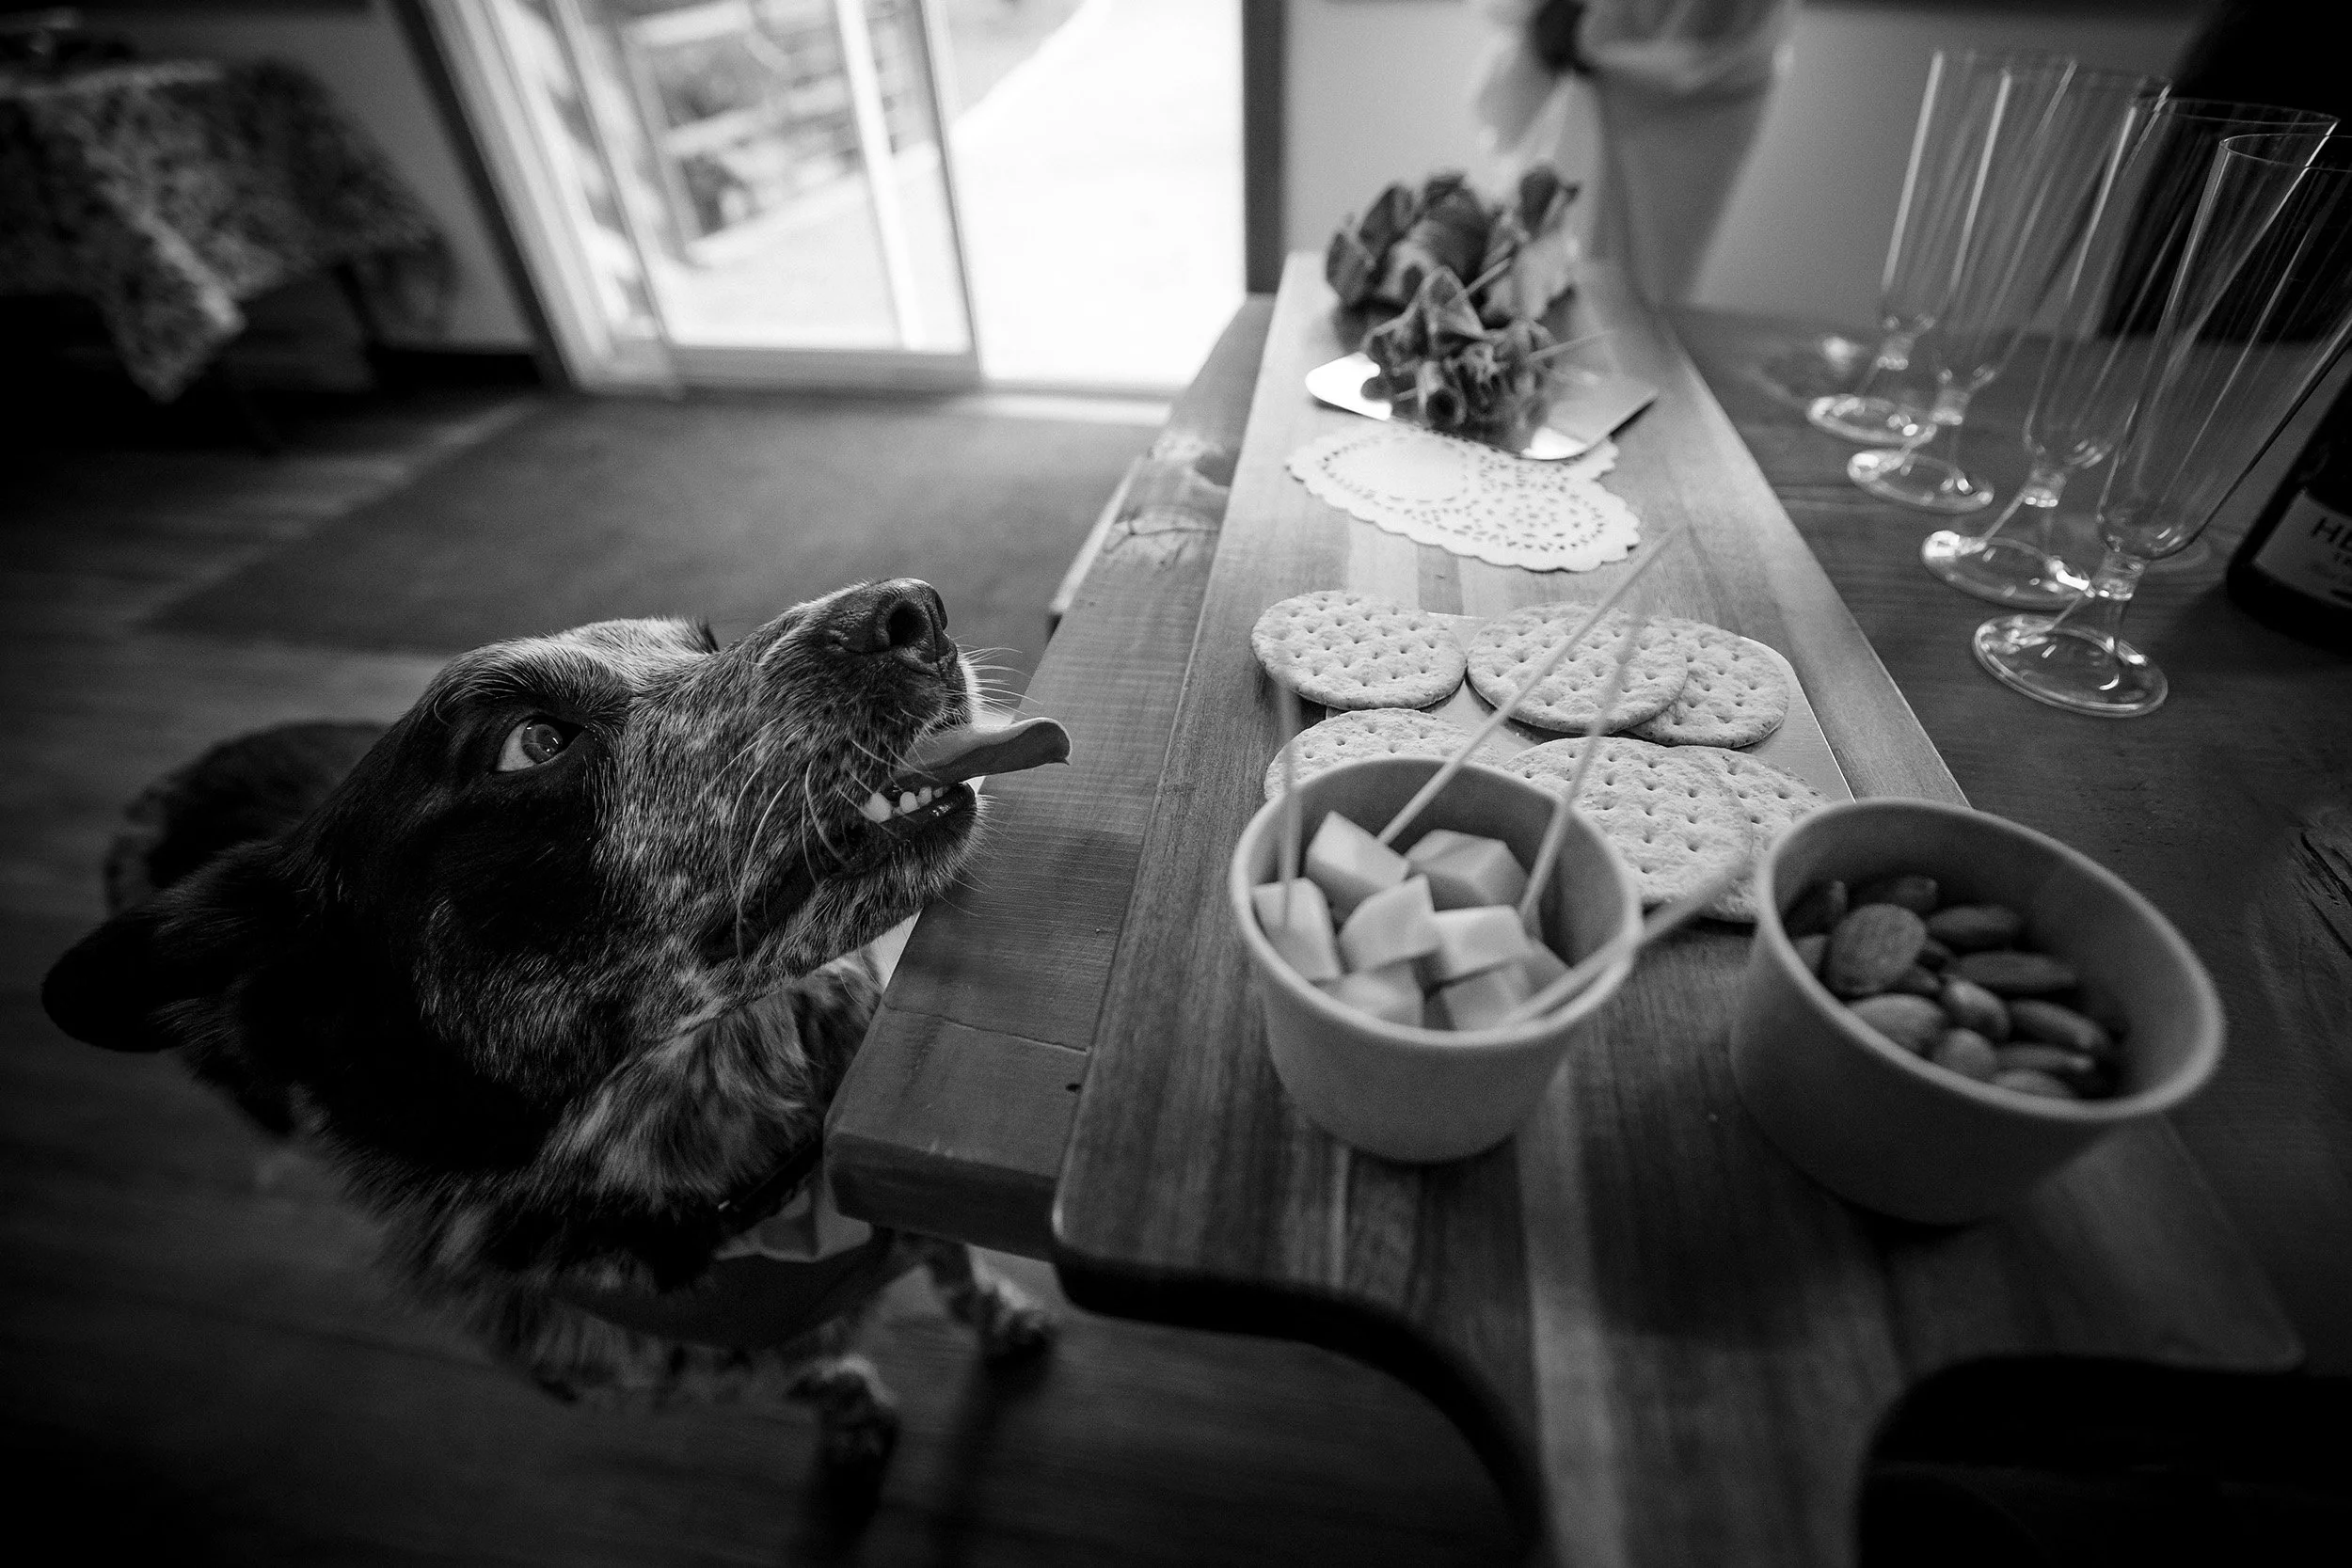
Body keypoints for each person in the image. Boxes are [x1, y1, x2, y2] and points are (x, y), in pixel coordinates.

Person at [1472, 0, 1797, 305]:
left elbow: (1715, 51)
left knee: (1633, 281)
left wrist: (1586, 32)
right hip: (1601, 66)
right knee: (1544, 268)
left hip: (1700, 77)